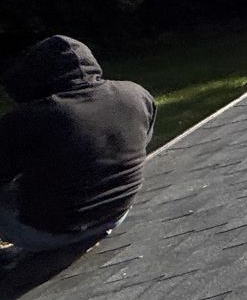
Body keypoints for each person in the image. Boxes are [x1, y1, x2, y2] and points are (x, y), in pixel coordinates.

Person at [0, 36, 155, 256]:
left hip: (49, 233)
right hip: (116, 213)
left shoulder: (30, 119)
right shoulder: (136, 95)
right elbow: (143, 140)